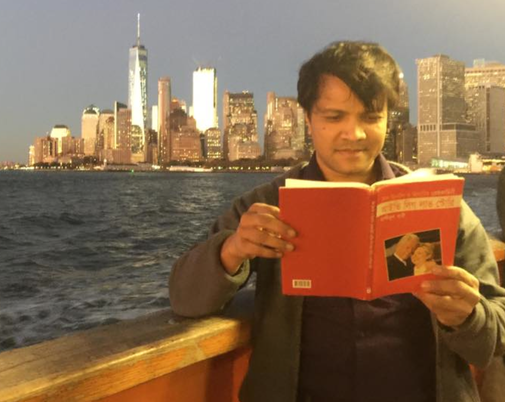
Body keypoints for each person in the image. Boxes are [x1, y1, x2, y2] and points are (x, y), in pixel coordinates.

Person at [169, 41, 505, 402]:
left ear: (388, 117)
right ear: (308, 118)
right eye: (334, 117)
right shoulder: (267, 203)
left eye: (370, 117)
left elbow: (497, 330)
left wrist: (466, 315)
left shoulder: (438, 203)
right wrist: (231, 250)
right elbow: (185, 297)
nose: (354, 134)